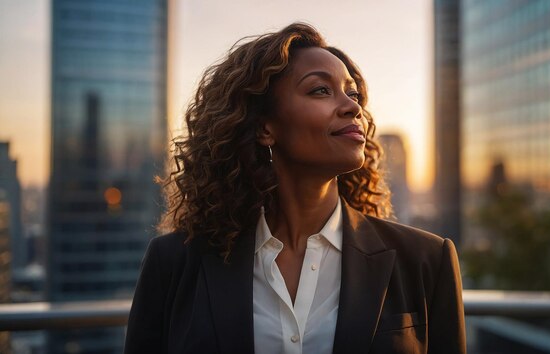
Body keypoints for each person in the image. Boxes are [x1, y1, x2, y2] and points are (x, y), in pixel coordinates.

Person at [124, 23, 466, 354]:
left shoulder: (425, 260)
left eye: (353, 93)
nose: (353, 107)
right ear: (264, 128)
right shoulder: (175, 263)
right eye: (320, 90)